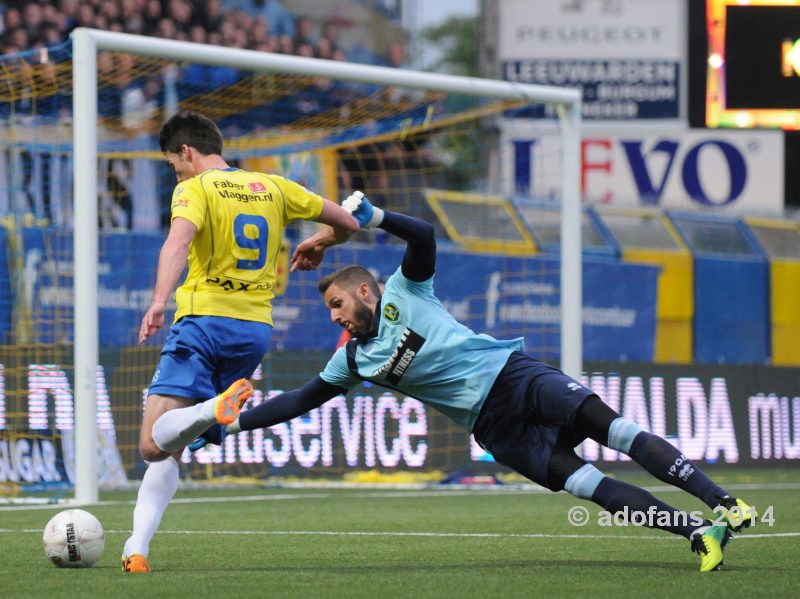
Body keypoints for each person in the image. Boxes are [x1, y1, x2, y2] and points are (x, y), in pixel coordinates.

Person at [193, 192, 758, 573]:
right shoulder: (355, 361)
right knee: (588, 485)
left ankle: (724, 503)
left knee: (620, 432)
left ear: (365, 292)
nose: (336, 317)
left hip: (513, 379)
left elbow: (424, 237)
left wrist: (374, 217)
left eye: (338, 304)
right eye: (330, 312)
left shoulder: (405, 292)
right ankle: (698, 534)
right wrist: (228, 424)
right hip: (494, 429)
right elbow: (298, 401)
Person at [121, 110, 359, 574]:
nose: (177, 172)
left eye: (174, 164)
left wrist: (157, 301)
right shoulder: (274, 186)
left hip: (203, 321)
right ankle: (136, 549)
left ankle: (215, 409)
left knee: (152, 443)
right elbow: (349, 223)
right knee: (174, 445)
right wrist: (320, 243)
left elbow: (177, 242)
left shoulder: (194, 189)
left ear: (186, 152)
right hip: (253, 333)